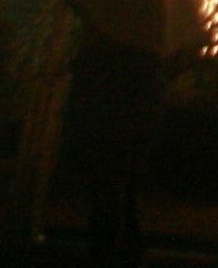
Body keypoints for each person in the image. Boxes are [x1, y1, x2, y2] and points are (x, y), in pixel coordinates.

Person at [53, 18, 171, 268]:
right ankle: (126, 250)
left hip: (107, 123)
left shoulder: (106, 52)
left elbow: (89, 85)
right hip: (135, 122)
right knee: (122, 185)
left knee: (108, 187)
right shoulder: (149, 51)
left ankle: (107, 251)